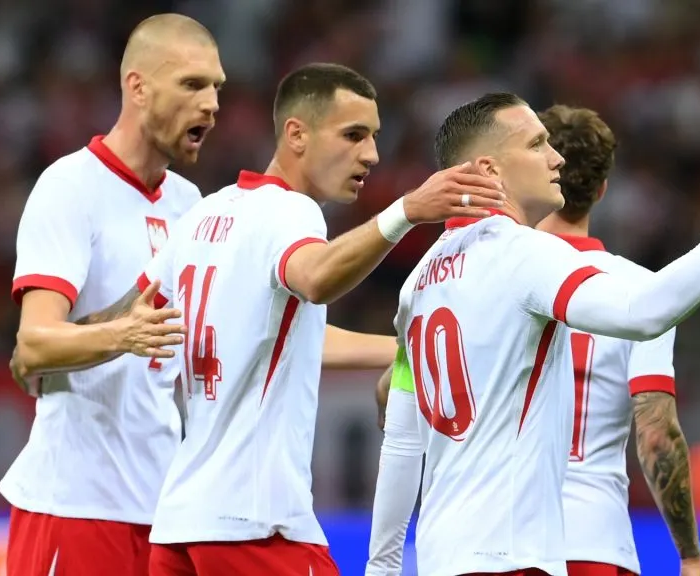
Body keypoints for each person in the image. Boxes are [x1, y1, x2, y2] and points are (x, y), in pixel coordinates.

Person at [366, 92, 700, 576]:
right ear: (489, 169)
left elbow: (399, 444)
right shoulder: (524, 254)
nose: (556, 157)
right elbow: (645, 312)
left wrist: (380, 567)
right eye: (537, 144)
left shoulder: (418, 281)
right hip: (516, 560)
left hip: (443, 559)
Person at [136, 63, 505, 576]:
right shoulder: (292, 212)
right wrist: (407, 211)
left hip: (180, 524)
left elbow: (287, 334)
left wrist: (409, 351)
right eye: (353, 135)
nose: (371, 154)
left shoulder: (205, 214)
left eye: (375, 137)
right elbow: (315, 278)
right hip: (257, 523)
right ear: (297, 134)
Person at [3, 14, 223, 576]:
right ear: (138, 87)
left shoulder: (190, 204)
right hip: (75, 505)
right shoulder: (70, 186)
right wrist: (121, 334)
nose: (212, 104)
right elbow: (32, 344)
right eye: (193, 84)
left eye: (217, 88)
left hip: (162, 509)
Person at [534, 105, 700, 576]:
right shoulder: (641, 291)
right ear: (603, 189)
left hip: (493, 540)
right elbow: (656, 435)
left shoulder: (483, 272)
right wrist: (690, 556)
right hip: (593, 541)